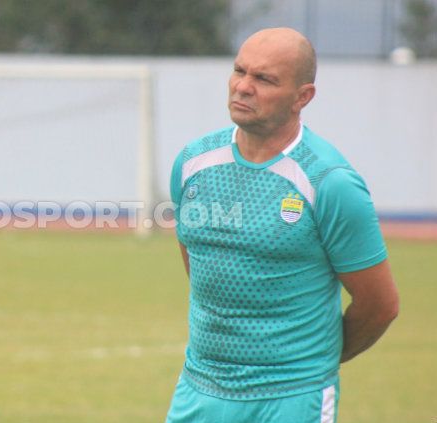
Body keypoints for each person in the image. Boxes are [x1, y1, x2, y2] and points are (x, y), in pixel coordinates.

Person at [165, 27, 399, 423]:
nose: (243, 87)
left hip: (291, 399)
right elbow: (200, 263)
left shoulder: (330, 182)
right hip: (199, 391)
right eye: (240, 71)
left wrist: (314, 360)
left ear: (302, 96)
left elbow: (380, 306)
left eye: (264, 79)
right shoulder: (192, 163)